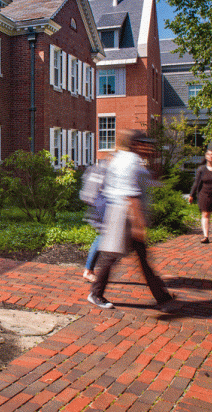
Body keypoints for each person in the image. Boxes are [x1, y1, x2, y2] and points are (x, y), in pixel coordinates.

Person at [87, 129, 178, 312]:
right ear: (136, 144)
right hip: (124, 214)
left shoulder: (121, 158)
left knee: (139, 258)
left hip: (120, 211)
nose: (149, 148)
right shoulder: (131, 161)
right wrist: (138, 224)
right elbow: (132, 195)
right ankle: (95, 294)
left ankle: (162, 296)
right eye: (146, 144)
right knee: (112, 257)